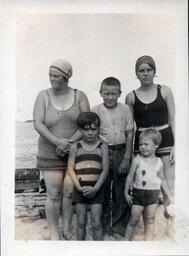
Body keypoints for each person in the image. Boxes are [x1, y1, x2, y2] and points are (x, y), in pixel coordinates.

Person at [33, 59, 90, 240]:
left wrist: (68, 143)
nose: (51, 79)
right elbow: (38, 123)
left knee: (69, 192)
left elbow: (86, 123)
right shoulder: (43, 96)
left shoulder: (80, 95)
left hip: (74, 152)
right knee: (53, 193)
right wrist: (58, 142)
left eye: (55, 75)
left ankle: (67, 230)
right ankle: (53, 233)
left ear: (66, 77)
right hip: (50, 151)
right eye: (50, 75)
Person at [125, 56, 175, 233]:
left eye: (149, 70)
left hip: (166, 140)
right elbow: (130, 128)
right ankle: (148, 227)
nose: (145, 73)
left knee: (168, 184)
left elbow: (173, 119)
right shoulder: (131, 97)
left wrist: (176, 145)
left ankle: (170, 224)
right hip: (143, 143)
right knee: (145, 184)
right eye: (141, 70)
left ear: (154, 71)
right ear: (136, 73)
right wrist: (130, 153)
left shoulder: (166, 91)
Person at [92, 77, 134, 239]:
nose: (110, 97)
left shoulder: (125, 110)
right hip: (102, 152)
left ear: (120, 93)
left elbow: (130, 132)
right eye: (106, 93)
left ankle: (119, 227)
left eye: (114, 94)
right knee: (102, 190)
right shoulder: (96, 110)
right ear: (101, 93)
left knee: (120, 190)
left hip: (121, 152)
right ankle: (102, 227)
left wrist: (127, 157)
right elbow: (92, 134)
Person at [124, 129, 173, 241]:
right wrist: (126, 192)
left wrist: (169, 196)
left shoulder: (159, 162)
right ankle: (125, 243)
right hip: (138, 195)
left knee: (150, 220)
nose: (142, 147)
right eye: (140, 144)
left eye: (146, 144)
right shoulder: (137, 160)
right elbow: (130, 177)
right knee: (134, 220)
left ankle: (148, 244)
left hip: (153, 195)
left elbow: (163, 180)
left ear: (156, 145)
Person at [68, 112, 109, 240]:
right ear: (80, 130)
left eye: (94, 129)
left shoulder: (103, 146)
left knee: (96, 222)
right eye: (86, 130)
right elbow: (70, 168)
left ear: (98, 129)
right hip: (80, 189)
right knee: (81, 222)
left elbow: (105, 169)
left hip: (97, 189)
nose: (90, 133)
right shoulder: (75, 147)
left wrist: (96, 188)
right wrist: (79, 188)